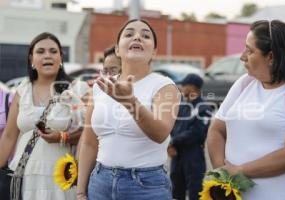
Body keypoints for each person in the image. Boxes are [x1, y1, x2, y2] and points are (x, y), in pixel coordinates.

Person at [77, 19, 181, 200]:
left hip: (146, 185)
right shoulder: (100, 87)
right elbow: (88, 142)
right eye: (129, 34)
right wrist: (80, 192)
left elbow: (160, 134)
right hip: (100, 182)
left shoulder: (165, 86)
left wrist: (129, 101)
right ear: (117, 49)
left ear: (154, 52)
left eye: (146, 36)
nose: (138, 37)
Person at [207, 20, 285, 200]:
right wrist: (223, 177)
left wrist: (240, 171)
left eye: (249, 51)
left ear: (271, 56)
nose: (242, 56)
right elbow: (217, 129)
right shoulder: (244, 83)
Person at [0, 32, 88, 200]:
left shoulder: (78, 89)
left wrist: (62, 137)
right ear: (31, 59)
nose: (47, 55)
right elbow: (9, 136)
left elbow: (90, 135)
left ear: (61, 57)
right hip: (22, 175)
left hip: (61, 176)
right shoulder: (22, 89)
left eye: (53, 51)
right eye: (40, 51)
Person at [168, 74, 212, 200]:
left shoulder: (203, 108)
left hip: (193, 157)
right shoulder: (182, 106)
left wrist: (173, 142)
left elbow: (197, 132)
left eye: (184, 85)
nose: (181, 88)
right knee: (176, 192)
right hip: (177, 156)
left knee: (195, 193)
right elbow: (172, 127)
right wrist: (169, 145)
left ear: (192, 87)